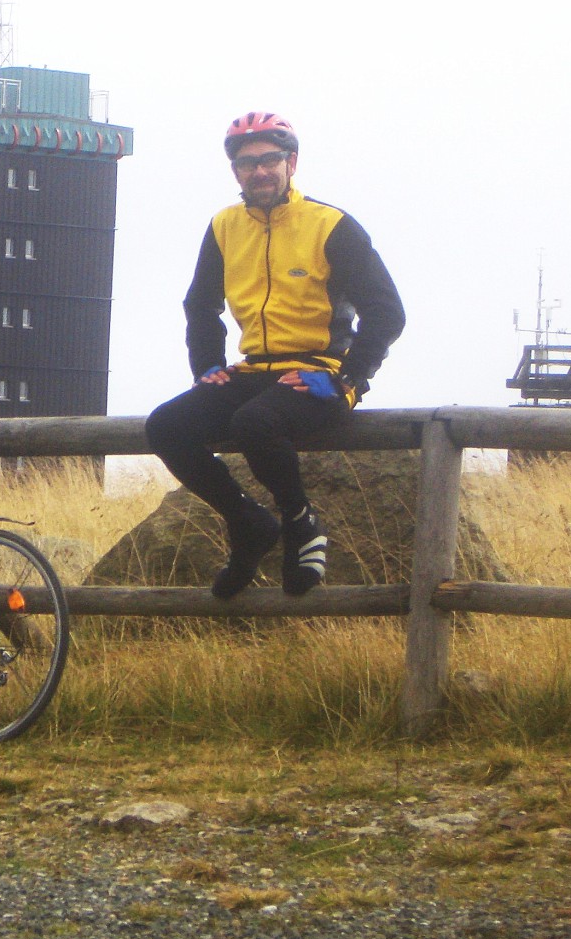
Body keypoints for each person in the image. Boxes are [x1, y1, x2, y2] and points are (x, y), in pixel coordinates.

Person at [145, 111, 405, 599]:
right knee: (165, 426)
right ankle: (247, 522)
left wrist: (349, 379)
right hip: (253, 370)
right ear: (234, 172)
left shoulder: (331, 225)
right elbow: (201, 305)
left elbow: (387, 312)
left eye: (270, 160)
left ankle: (300, 522)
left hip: (319, 371)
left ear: (292, 163)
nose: (259, 172)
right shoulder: (224, 226)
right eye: (247, 164)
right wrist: (207, 368)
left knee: (254, 423)